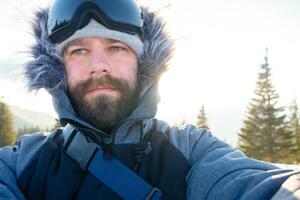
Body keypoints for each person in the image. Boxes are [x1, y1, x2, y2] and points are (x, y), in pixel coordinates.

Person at [0, 0, 299, 199]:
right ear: (57, 68)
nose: (98, 64)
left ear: (143, 64)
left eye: (116, 47)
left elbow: (259, 186)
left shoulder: (191, 149)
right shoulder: (20, 162)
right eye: (79, 51)